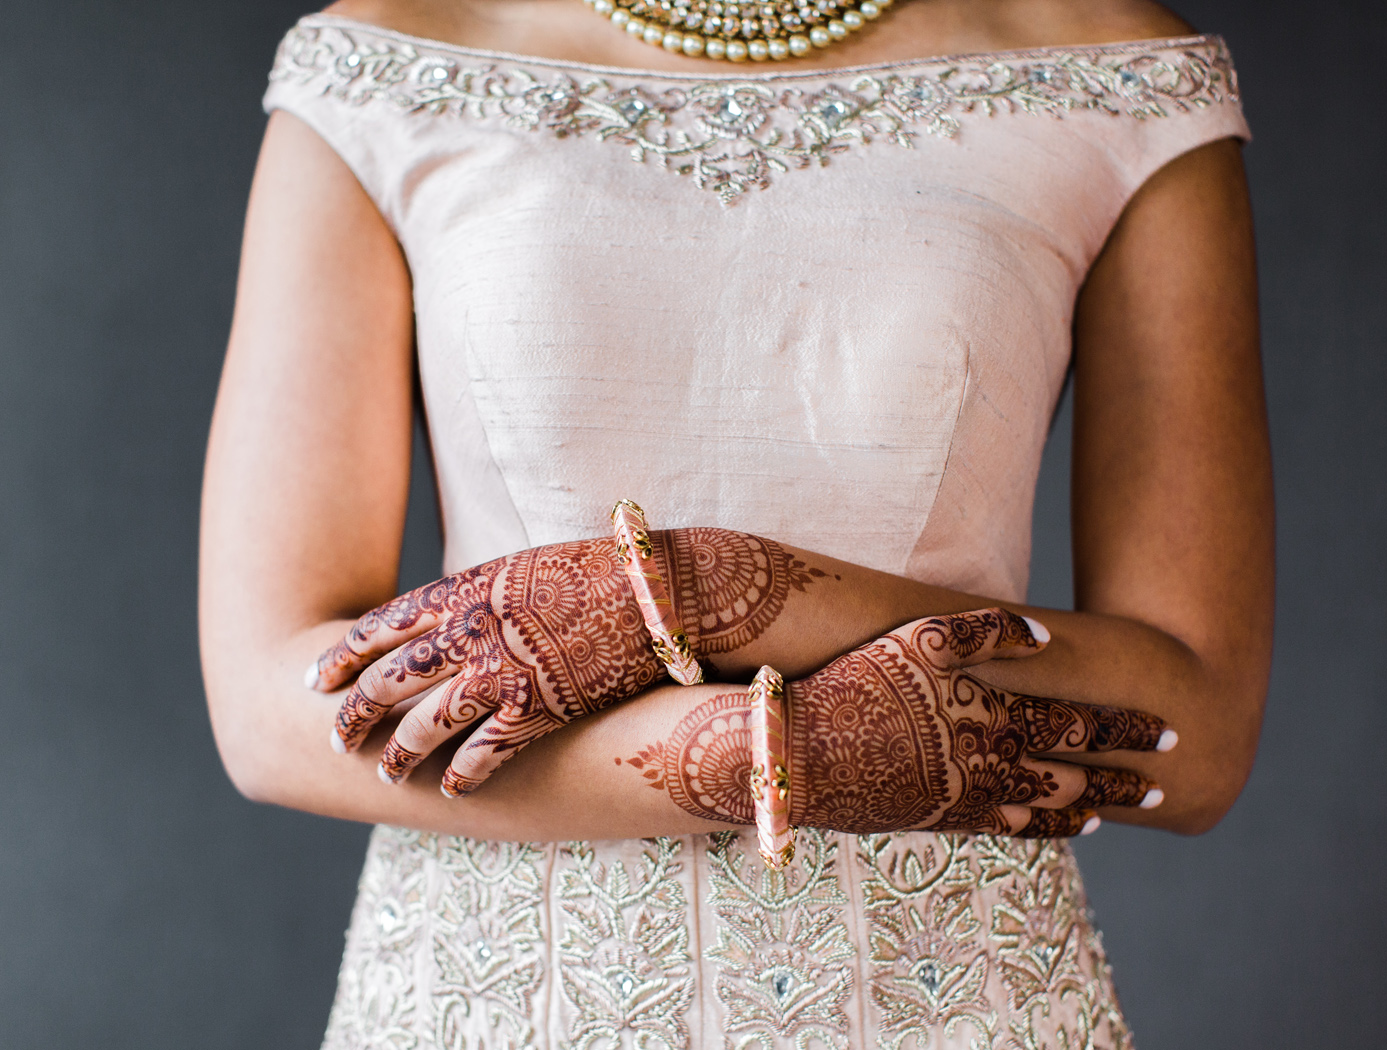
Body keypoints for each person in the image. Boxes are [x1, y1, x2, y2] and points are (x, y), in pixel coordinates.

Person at [199, 0, 1272, 1044]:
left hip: (946, 993)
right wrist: (768, 753)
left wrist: (697, 588)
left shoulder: (1116, 78)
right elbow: (267, 715)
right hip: (506, 990)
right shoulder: (385, 68)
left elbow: (1197, 736)